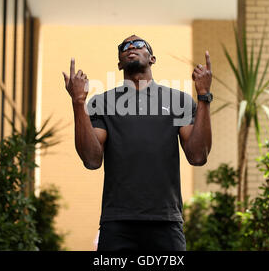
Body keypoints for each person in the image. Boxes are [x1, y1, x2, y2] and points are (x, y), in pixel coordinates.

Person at [62, 35, 213, 251]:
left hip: (166, 222)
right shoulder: (101, 103)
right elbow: (92, 159)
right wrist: (78, 103)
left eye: (139, 44)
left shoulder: (179, 101)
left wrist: (204, 96)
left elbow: (198, 156)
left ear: (152, 58)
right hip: (117, 223)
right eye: (125, 46)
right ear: (119, 64)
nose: (131, 46)